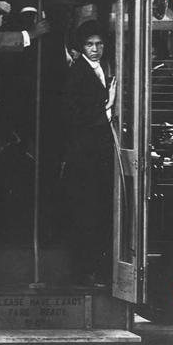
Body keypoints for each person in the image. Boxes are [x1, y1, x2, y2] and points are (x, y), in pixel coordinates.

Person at [59, 20, 116, 285]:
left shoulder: (103, 68)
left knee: (99, 211)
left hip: (99, 153)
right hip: (84, 155)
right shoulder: (77, 72)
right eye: (90, 44)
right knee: (87, 212)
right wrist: (108, 106)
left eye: (99, 44)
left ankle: (96, 268)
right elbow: (72, 115)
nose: (95, 49)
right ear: (81, 47)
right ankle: (84, 271)